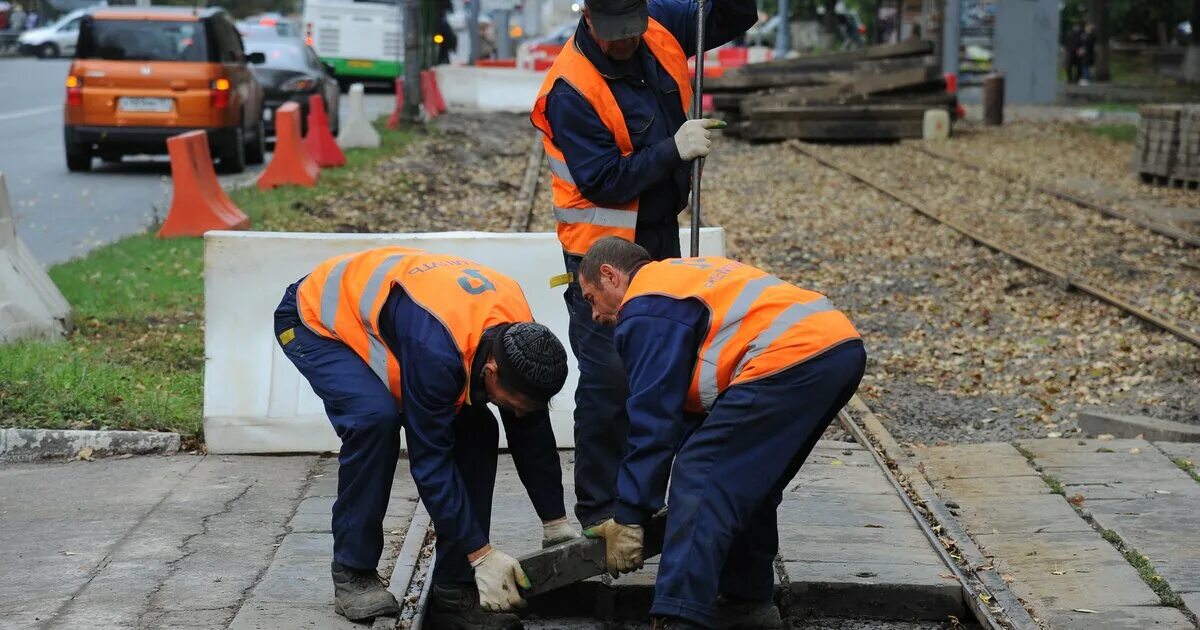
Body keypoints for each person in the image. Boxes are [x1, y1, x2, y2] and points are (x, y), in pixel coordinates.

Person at [528, 0, 756, 536]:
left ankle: (655, 496)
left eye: (631, 31)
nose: (624, 42)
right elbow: (603, 179)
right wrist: (673, 151)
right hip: (599, 250)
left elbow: (730, 18)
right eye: (613, 35)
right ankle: (601, 512)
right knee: (610, 379)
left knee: (666, 365)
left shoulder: (662, 23)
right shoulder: (570, 88)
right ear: (587, 18)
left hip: (657, 235)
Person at [273, 247, 579, 629]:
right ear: (491, 369)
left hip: (403, 316)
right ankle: (353, 572)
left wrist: (557, 523)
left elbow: (529, 428)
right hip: (316, 319)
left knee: (477, 430)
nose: (516, 412)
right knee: (374, 420)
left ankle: (453, 595)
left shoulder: (521, 336)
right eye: (512, 402)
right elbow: (430, 462)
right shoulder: (436, 352)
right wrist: (481, 555)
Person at [576, 237, 867, 630]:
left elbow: (653, 418)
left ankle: (679, 614)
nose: (594, 314)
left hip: (791, 355)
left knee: (701, 473)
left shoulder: (645, 306)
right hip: (837, 348)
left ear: (610, 275)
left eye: (591, 297)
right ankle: (746, 602)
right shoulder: (682, 280)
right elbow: (682, 413)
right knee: (746, 480)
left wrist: (630, 515)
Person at [1064, 21, 1084, 85]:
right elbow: (1080, 42)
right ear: (1075, 26)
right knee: (1076, 66)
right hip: (1074, 51)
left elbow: (1065, 42)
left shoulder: (1069, 33)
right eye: (1078, 26)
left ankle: (1072, 79)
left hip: (1071, 51)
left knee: (1071, 66)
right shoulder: (1078, 34)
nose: (1079, 28)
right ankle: (1074, 79)